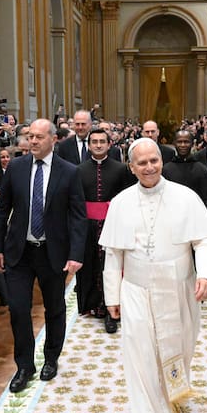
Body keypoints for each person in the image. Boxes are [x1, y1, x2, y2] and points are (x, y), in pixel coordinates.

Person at [99, 137, 207, 413]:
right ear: (131, 166)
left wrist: (206, 274)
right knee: (140, 359)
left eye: (154, 160)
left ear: (161, 161)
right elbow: (113, 255)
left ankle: (167, 403)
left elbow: (204, 242)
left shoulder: (185, 197)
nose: (149, 167)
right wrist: (112, 296)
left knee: (179, 350)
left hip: (179, 287)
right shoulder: (121, 202)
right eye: (142, 162)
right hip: (136, 290)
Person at [0, 118, 87, 393]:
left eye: (39, 137)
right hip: (19, 252)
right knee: (19, 309)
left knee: (54, 308)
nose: (32, 141)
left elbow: (78, 217)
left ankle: (51, 357)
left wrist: (76, 254)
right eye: (30, 136)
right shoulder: (16, 168)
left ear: (53, 139)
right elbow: (2, 211)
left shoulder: (69, 172)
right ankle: (24, 366)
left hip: (52, 251)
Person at [75, 127, 133, 333]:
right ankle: (95, 306)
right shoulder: (79, 170)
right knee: (91, 266)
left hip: (113, 225)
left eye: (102, 141)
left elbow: (128, 199)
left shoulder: (121, 169)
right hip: (88, 227)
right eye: (94, 142)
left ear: (110, 144)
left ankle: (112, 311)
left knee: (113, 268)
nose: (98, 145)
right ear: (89, 145)